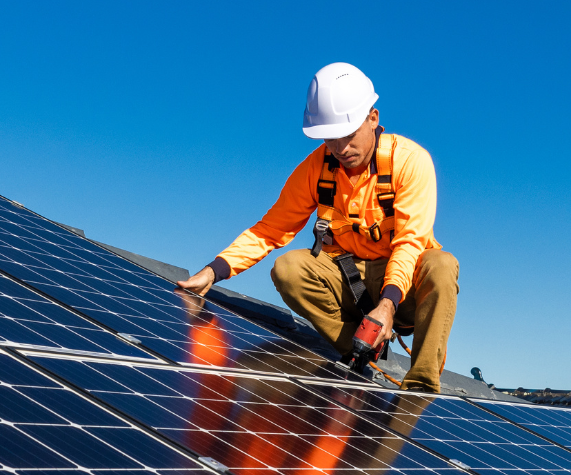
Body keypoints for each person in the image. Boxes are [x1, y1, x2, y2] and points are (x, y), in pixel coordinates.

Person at [174, 62, 458, 392]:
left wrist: (387, 304)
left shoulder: (409, 161)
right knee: (289, 269)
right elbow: (270, 229)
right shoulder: (316, 168)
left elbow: (410, 242)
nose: (341, 149)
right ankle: (360, 351)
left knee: (441, 265)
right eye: (331, 139)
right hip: (347, 279)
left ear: (373, 118)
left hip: (403, 290)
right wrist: (214, 271)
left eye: (348, 136)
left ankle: (421, 386)